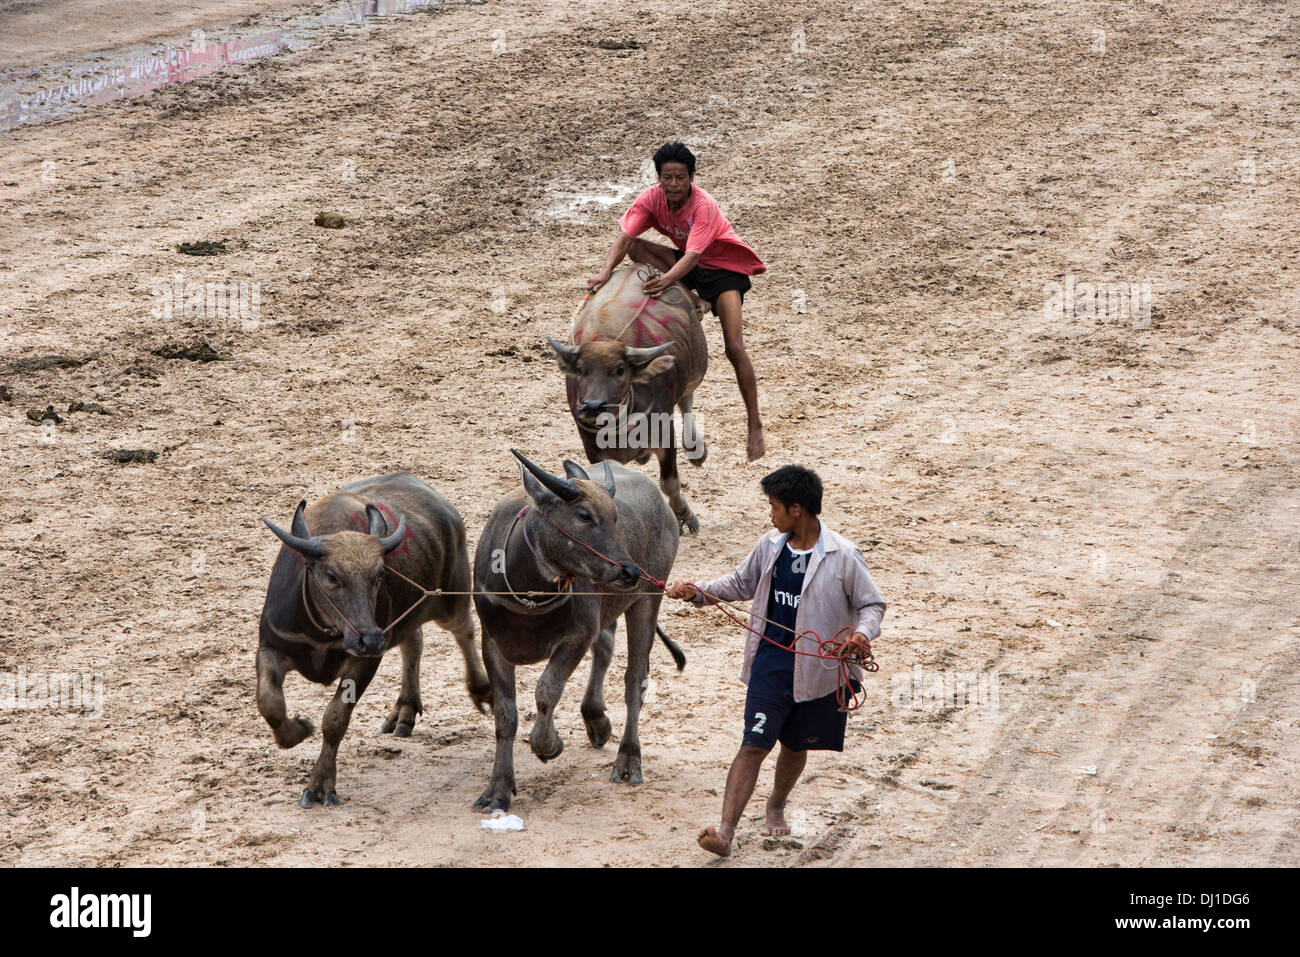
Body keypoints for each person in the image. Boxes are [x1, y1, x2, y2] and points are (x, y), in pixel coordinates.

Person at [665, 465, 886, 858]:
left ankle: (777, 804)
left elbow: (871, 604)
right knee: (753, 743)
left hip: (819, 670)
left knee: (795, 743)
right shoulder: (770, 545)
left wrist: (861, 635)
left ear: (797, 509)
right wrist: (696, 591)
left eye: (775, 507)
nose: (770, 514)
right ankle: (726, 832)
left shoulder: (844, 555)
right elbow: (739, 583)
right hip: (771, 663)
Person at [587, 141, 769, 462]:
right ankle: (695, 300)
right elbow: (626, 238)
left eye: (680, 178)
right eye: (667, 178)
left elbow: (695, 255)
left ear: (691, 178)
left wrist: (669, 281)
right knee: (637, 249)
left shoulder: (703, 206)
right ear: (659, 178)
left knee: (734, 346)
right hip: (690, 266)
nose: (673, 185)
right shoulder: (651, 199)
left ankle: (754, 424)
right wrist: (605, 272)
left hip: (723, 271)